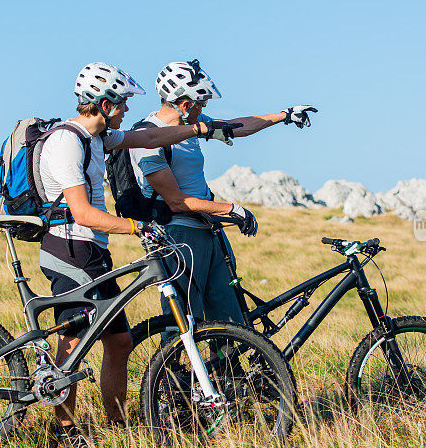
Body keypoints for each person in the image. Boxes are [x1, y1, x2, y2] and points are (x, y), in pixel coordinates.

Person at [40, 62, 238, 448]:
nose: (128, 108)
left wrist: (199, 128)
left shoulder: (100, 138)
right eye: (123, 101)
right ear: (104, 102)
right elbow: (80, 212)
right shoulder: (67, 141)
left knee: (119, 342)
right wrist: (135, 227)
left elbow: (148, 139)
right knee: (73, 340)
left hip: (93, 249)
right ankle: (65, 432)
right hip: (68, 245)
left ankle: (116, 425)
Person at [129, 59, 316, 328]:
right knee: (183, 322)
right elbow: (176, 202)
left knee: (230, 319)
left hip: (209, 231)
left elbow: (236, 126)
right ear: (185, 104)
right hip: (177, 236)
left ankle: (227, 369)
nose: (204, 109)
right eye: (201, 103)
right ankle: (175, 370)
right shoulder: (147, 138)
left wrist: (284, 115)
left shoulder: (195, 125)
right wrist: (230, 209)